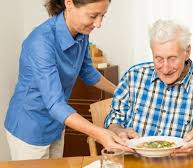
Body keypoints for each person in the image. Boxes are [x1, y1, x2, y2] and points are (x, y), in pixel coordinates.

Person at [4, 0, 131, 160]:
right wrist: (99, 133)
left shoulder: (82, 33)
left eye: (102, 16)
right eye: (93, 16)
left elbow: (88, 72)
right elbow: (55, 104)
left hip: (57, 123)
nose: (98, 24)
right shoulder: (40, 42)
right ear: (69, 3)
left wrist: (123, 93)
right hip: (29, 127)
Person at [104, 19, 193, 153]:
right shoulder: (133, 76)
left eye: (172, 58)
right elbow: (114, 120)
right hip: (133, 161)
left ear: (187, 52)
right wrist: (118, 130)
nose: (166, 69)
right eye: (159, 59)